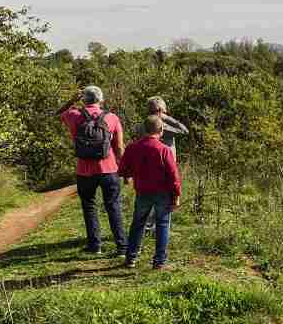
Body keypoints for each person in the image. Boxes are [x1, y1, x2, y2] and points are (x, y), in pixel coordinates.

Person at [56, 85, 126, 255]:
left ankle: (95, 246)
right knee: (113, 206)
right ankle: (122, 246)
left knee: (89, 207)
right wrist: (124, 170)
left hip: (84, 170)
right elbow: (119, 147)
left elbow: (59, 114)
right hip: (109, 168)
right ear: (101, 100)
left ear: (84, 99)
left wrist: (72, 100)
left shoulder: (74, 115)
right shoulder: (112, 118)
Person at [119, 115, 182, 270]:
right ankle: (159, 262)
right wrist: (176, 195)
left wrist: (131, 175)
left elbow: (123, 170)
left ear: (144, 129)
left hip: (142, 192)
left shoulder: (132, 148)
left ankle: (131, 258)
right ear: (161, 130)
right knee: (162, 224)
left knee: (138, 224)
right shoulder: (164, 150)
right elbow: (173, 176)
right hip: (163, 193)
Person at [142, 96, 188, 236]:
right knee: (165, 199)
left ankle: (147, 228)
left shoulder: (145, 124)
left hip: (147, 167)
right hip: (166, 167)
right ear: (161, 110)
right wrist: (167, 118)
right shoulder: (164, 127)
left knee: (148, 198)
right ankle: (160, 230)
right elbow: (184, 130)